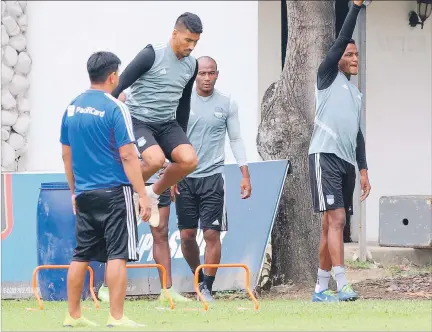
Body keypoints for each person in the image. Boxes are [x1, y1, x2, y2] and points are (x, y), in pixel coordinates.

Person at [60, 51, 150, 328]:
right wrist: (143, 194)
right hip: (114, 192)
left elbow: (66, 155)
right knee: (117, 255)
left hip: (85, 192)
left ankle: (72, 316)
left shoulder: (72, 107)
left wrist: (74, 191)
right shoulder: (115, 107)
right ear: (113, 76)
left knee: (81, 255)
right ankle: (116, 317)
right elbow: (128, 155)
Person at [97, 91, 191, 304]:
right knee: (119, 233)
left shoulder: (160, 109)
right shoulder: (123, 106)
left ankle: (167, 290)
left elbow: (169, 145)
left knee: (161, 232)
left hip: (156, 181)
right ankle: (106, 288)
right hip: (129, 180)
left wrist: (170, 172)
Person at [111, 12, 203, 226]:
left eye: (195, 42)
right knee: (155, 160)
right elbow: (120, 84)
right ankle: (120, 191)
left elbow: (184, 103)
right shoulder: (151, 54)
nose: (191, 46)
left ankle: (151, 194)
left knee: (189, 159)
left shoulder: (192, 65)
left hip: (167, 123)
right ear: (174, 33)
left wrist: (181, 139)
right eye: (188, 40)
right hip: (139, 119)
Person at [173, 56, 252, 302]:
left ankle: (207, 286)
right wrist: (170, 173)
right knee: (187, 235)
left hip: (213, 177)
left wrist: (244, 173)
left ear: (217, 75)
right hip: (185, 176)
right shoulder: (182, 101)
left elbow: (236, 139)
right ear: (195, 76)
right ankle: (198, 279)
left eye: (211, 73)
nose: (207, 78)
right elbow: (172, 138)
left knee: (211, 235)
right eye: (202, 73)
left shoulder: (227, 103)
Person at [308, 0, 371, 303]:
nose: (354, 57)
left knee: (330, 225)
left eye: (357, 54)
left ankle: (320, 289)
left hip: (346, 162)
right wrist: (355, 8)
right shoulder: (326, 77)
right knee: (337, 221)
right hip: (325, 156)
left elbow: (358, 134)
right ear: (337, 60)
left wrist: (364, 168)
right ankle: (343, 284)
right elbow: (340, 41)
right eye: (349, 54)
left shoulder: (356, 93)